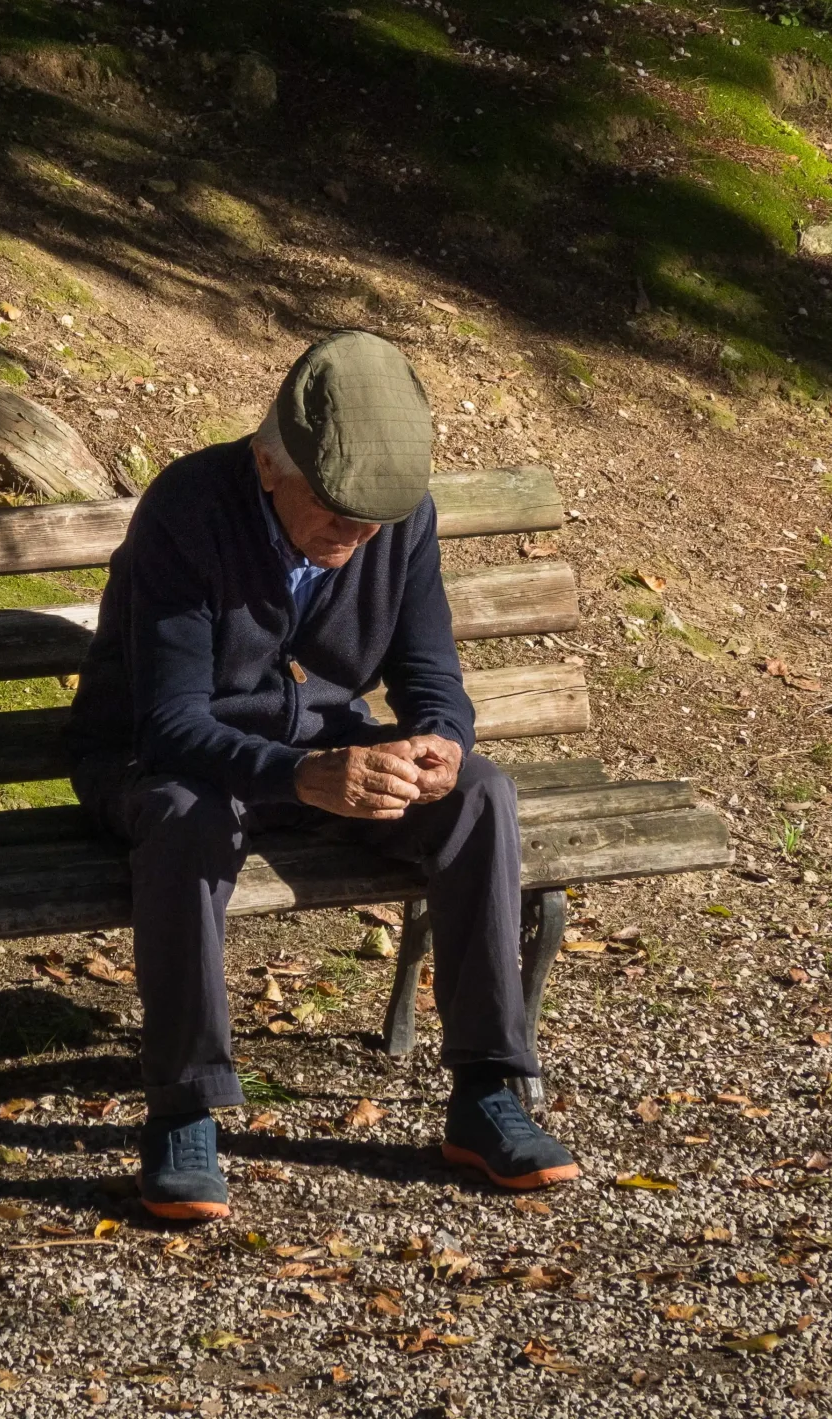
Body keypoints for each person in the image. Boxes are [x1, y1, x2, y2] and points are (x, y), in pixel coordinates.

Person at [68, 330, 579, 1222]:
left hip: (316, 759)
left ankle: (488, 1090)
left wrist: (441, 741)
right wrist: (302, 774)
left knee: (481, 793)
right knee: (189, 819)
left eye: (375, 518)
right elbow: (172, 722)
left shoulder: (397, 519)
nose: (358, 534)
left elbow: (431, 675)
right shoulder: (188, 508)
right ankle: (184, 1108)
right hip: (162, 761)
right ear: (271, 464)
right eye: (338, 510)